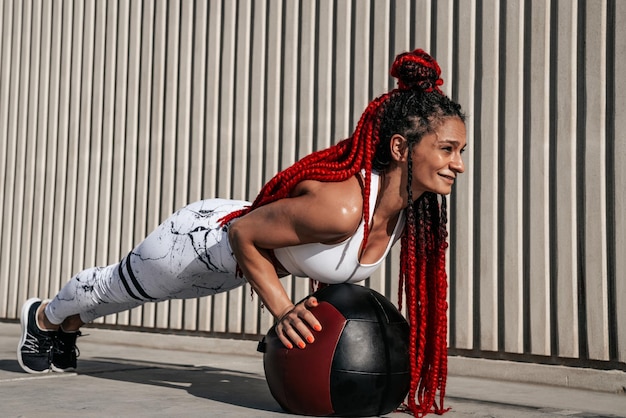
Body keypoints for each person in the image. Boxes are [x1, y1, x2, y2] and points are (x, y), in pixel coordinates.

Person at [17, 48, 466, 416]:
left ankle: (68, 324)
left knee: (121, 298)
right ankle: (43, 317)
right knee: (119, 287)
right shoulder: (343, 209)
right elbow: (243, 234)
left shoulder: (409, 213)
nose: (458, 164)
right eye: (447, 149)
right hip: (202, 242)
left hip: (230, 268)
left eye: (461, 150)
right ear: (400, 148)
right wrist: (283, 311)